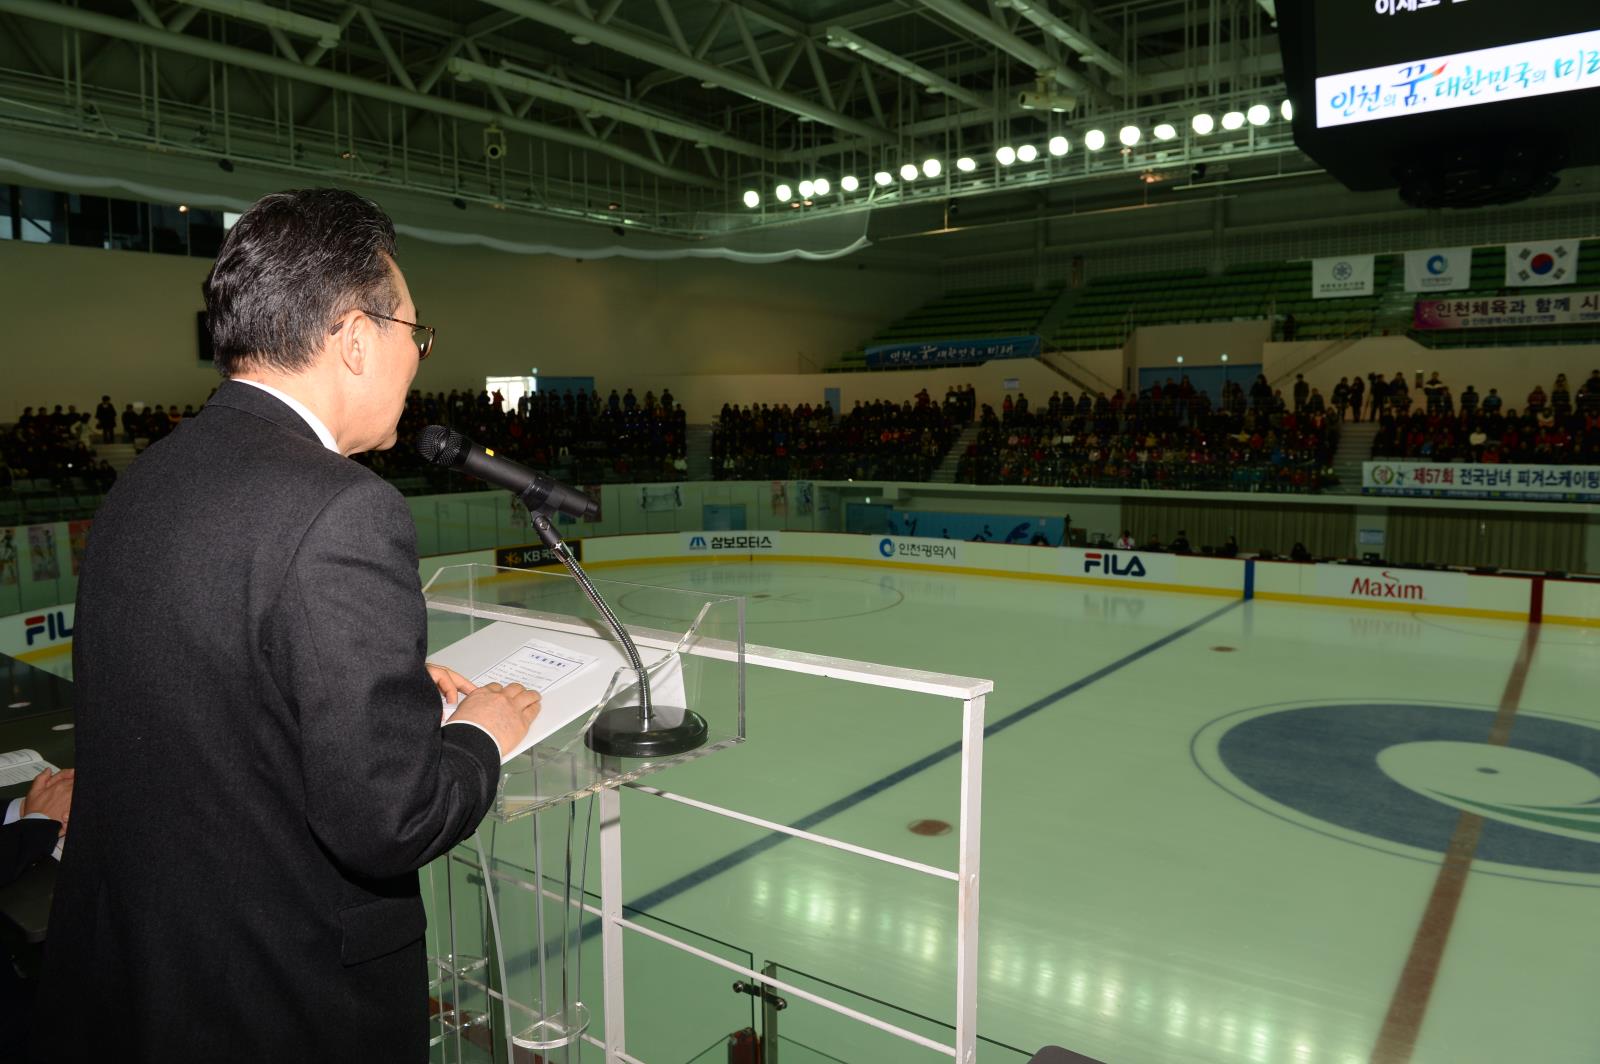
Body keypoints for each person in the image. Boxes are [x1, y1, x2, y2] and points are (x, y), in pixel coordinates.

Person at [33, 190, 542, 1063]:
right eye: (414, 334)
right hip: (282, 1005)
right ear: (356, 338)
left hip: (144, 981)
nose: (417, 360)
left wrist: (353, 686)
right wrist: (481, 736)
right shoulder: (344, 509)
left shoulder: (151, 476)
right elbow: (391, 821)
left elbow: (193, 678)